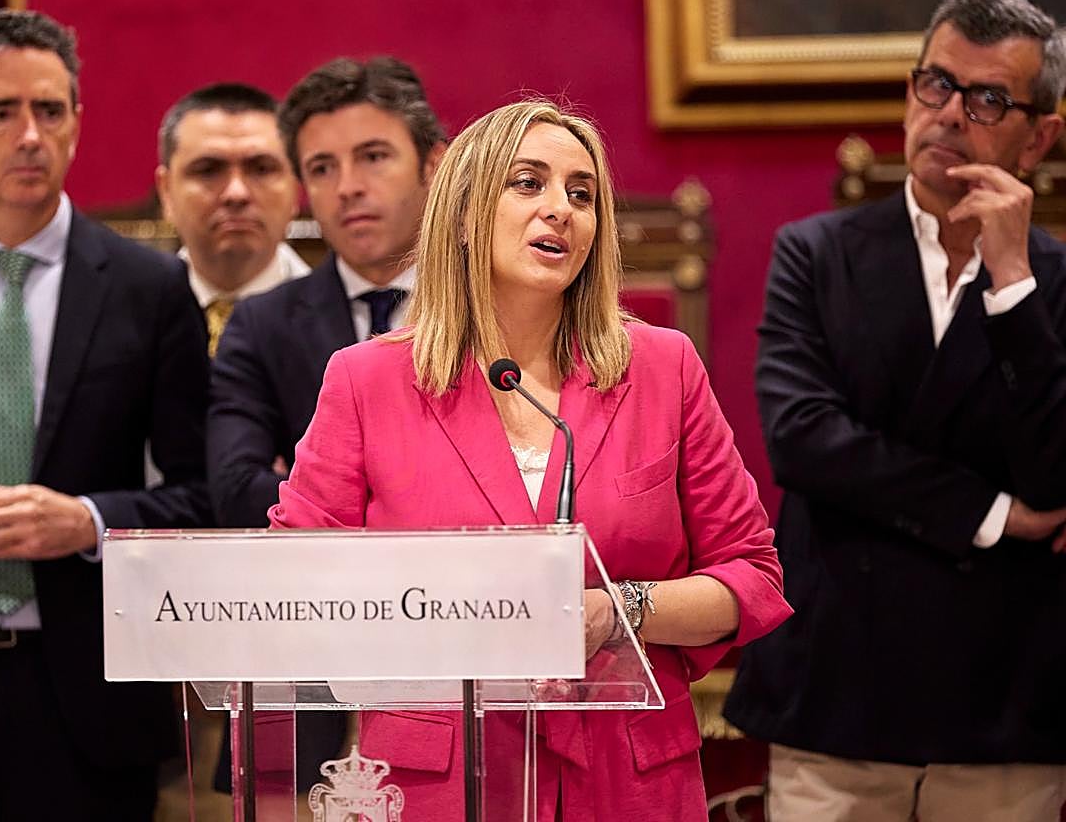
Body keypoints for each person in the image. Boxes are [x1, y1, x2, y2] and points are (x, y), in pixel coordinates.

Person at [266, 99, 791, 821]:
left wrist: (619, 611)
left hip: (627, 779)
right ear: (463, 213)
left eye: (582, 194)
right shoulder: (367, 380)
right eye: (528, 183)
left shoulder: (662, 368)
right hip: (444, 783)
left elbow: (751, 576)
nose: (560, 210)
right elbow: (292, 585)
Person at [723, 0, 1066, 821]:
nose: (950, 114)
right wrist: (992, 512)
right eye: (936, 84)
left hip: (1003, 701)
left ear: (1040, 136)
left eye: (989, 99)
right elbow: (804, 440)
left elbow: (1057, 477)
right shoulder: (816, 253)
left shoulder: (1054, 281)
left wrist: (1012, 284)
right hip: (840, 688)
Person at [0, 10, 209, 820]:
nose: (29, 136)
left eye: (49, 111)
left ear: (76, 124)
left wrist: (88, 521)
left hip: (90, 700)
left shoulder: (151, 288)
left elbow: (204, 497)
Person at [207, 56, 445, 793]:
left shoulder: (502, 313)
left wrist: (322, 491)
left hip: (463, 671)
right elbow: (238, 491)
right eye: (322, 167)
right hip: (301, 680)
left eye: (373, 156)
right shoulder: (261, 324)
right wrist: (422, 506)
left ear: (433, 165)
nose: (347, 186)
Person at [156, 82, 307, 357]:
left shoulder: (345, 322)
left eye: (262, 169)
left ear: (296, 186)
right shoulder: (123, 315)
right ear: (166, 191)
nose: (236, 193)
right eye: (208, 170)